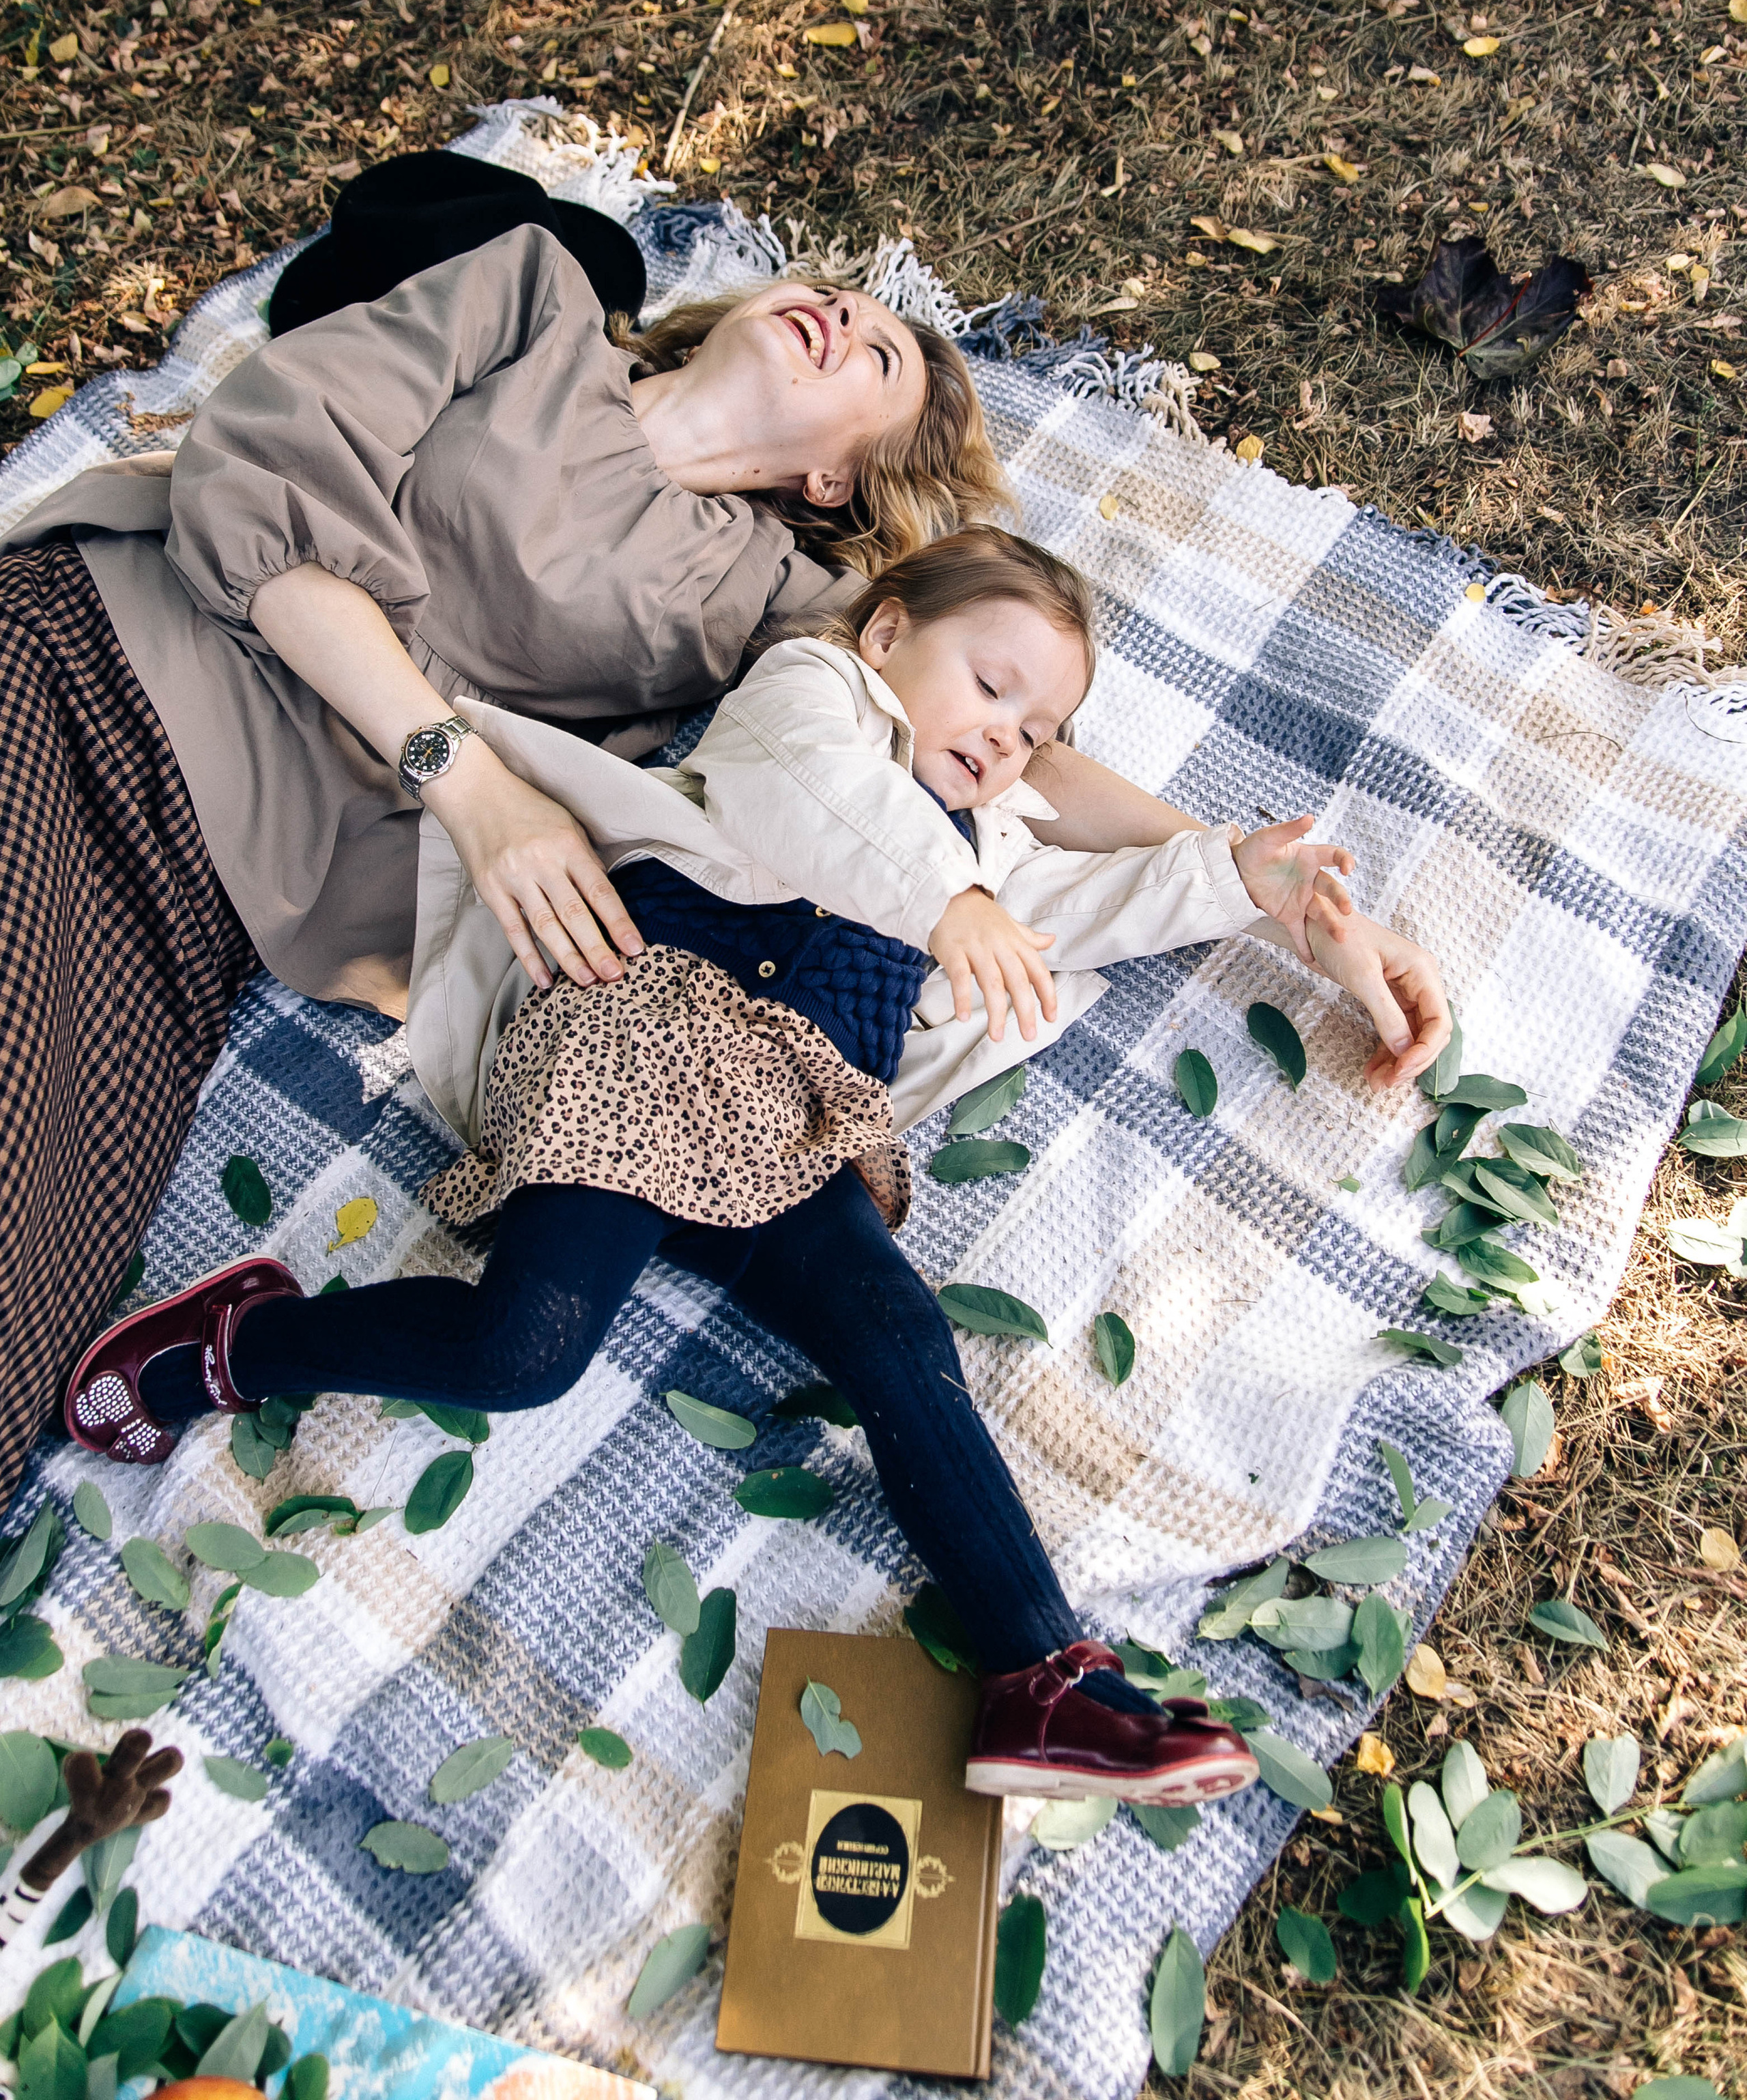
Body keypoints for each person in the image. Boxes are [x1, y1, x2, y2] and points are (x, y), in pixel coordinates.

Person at [68, 530, 1447, 1806]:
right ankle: (242, 1340)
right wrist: (955, 900)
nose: (1003, 738)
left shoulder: (984, 847)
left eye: (1034, 733)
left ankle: (1041, 1676)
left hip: (796, 1113)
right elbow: (818, 808)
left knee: (899, 1337)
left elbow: (1084, 906)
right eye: (988, 686)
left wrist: (1230, 875)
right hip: (646, 1028)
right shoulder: (811, 699)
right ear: (887, 633)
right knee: (521, 1349)